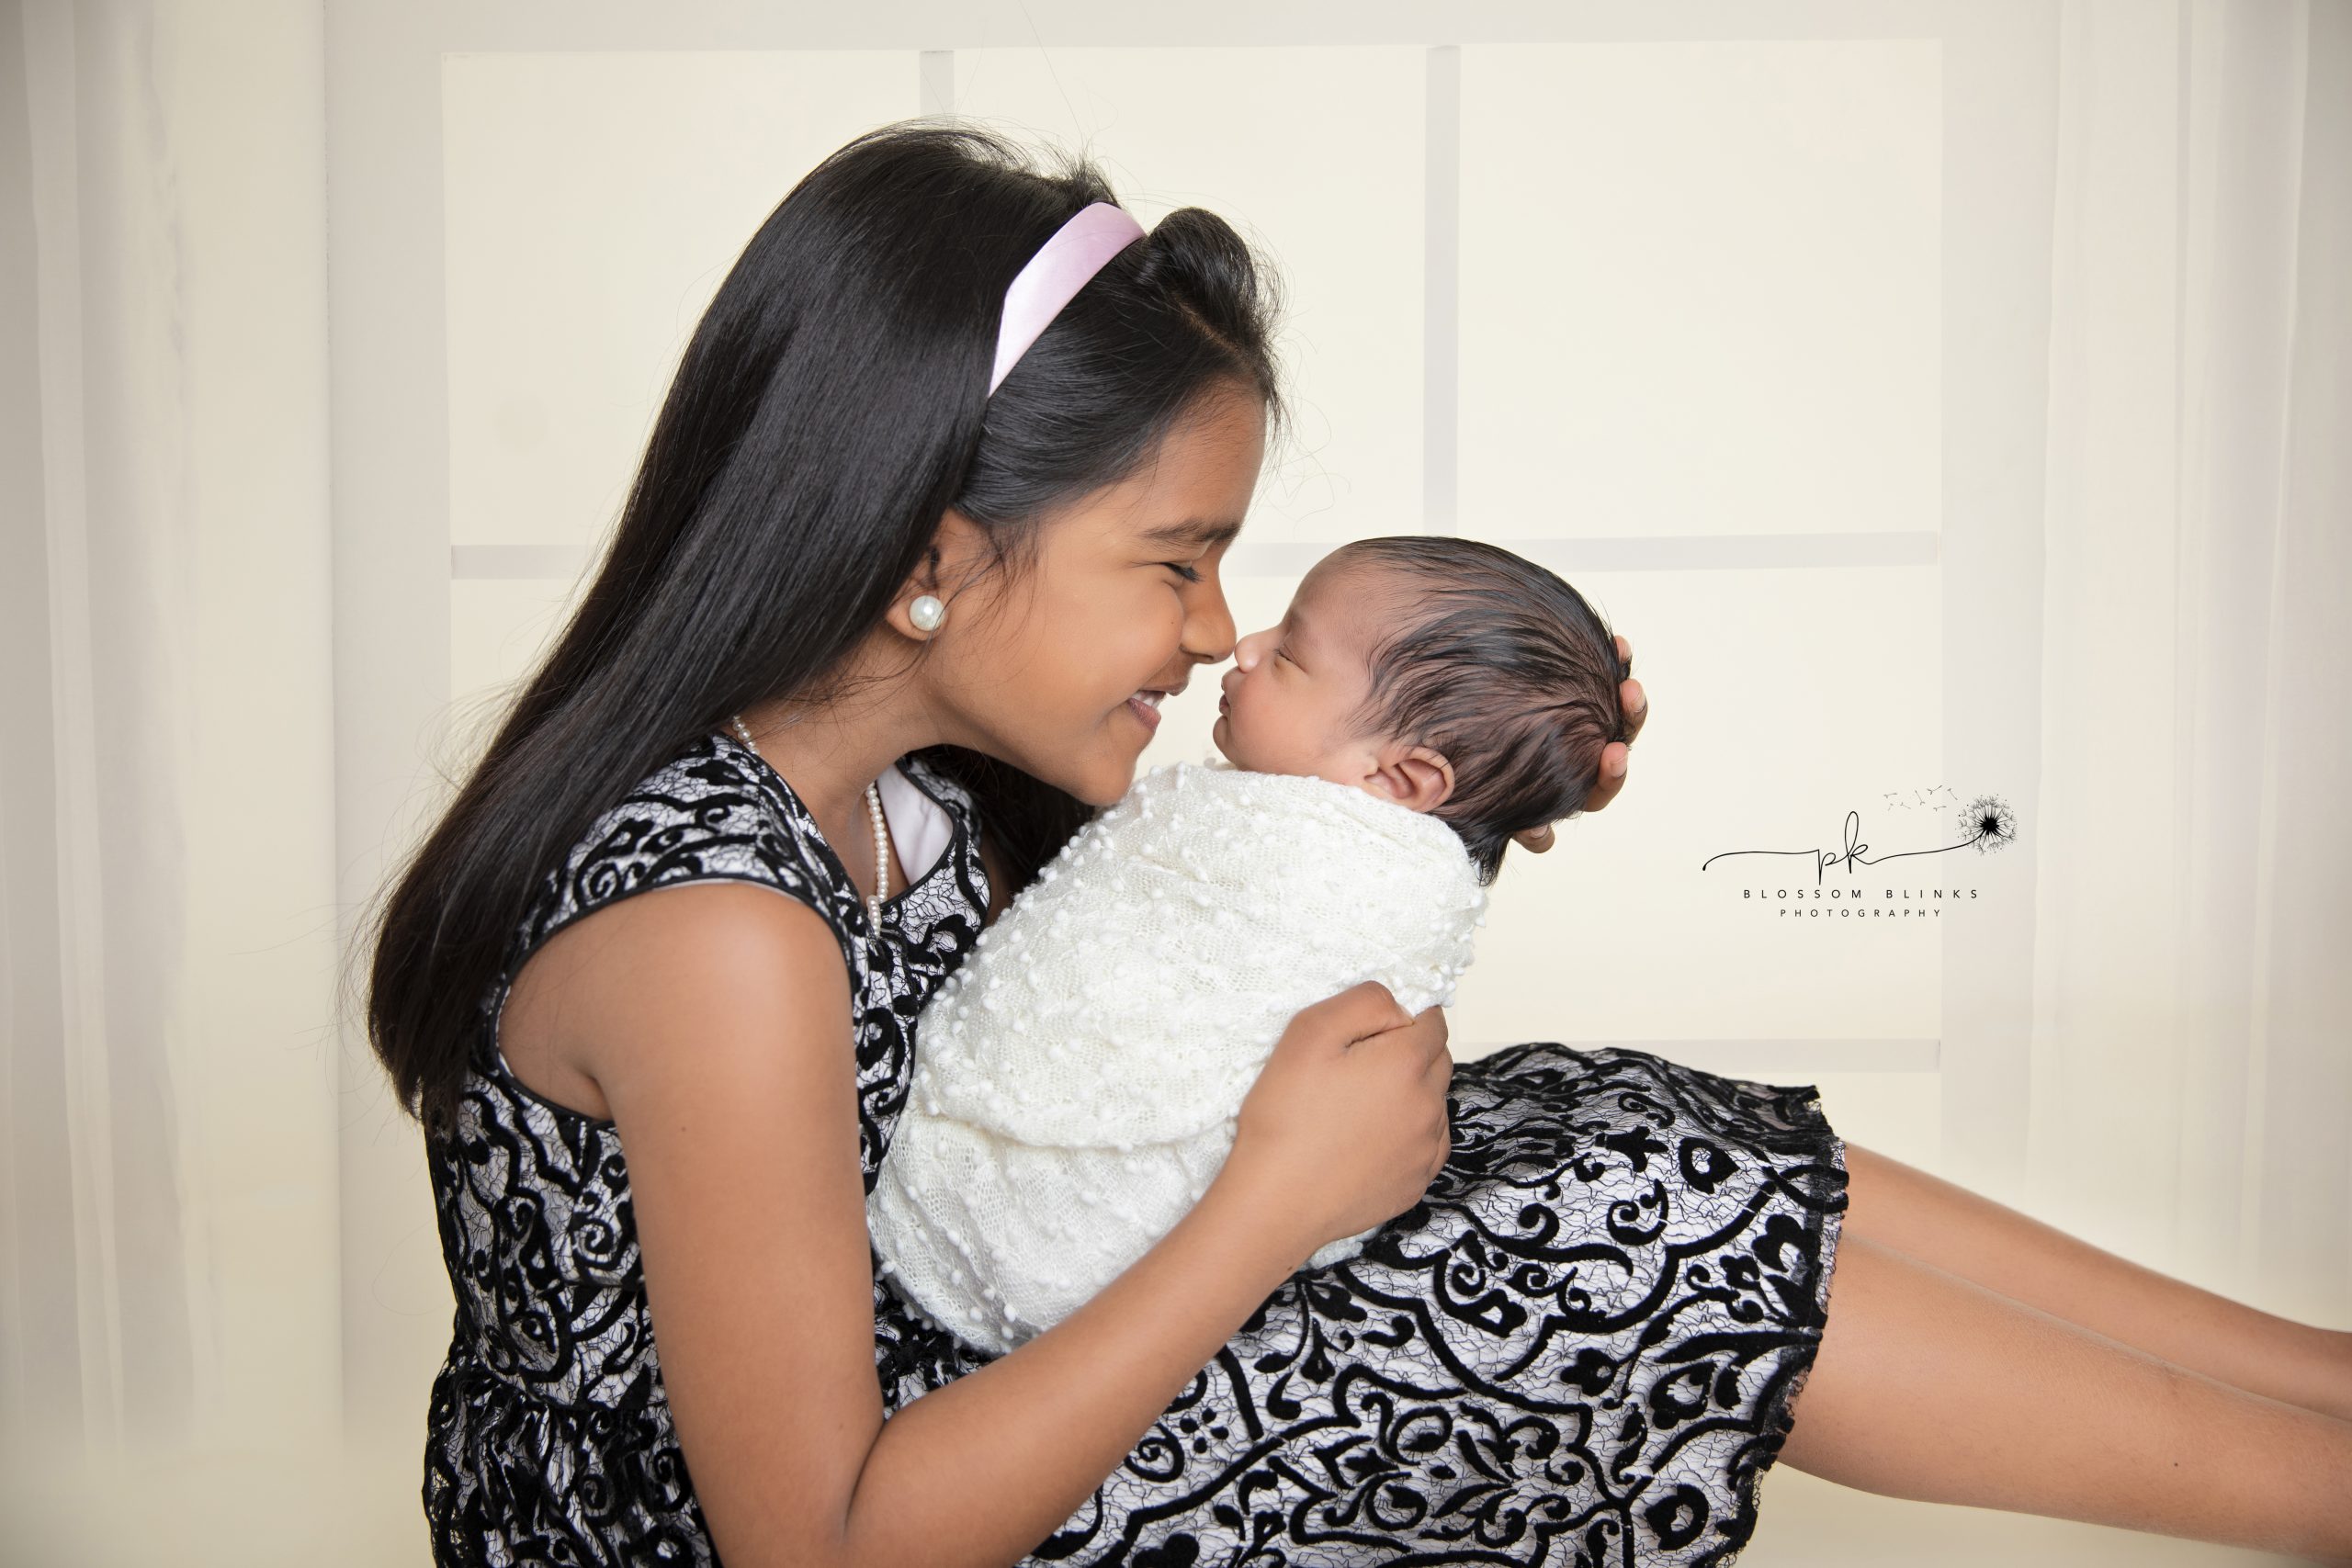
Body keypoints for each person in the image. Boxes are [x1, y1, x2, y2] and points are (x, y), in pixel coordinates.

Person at [362, 122, 2352, 1567]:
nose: (1215, 630)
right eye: (1176, 560)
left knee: (1597, 1120)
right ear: (930, 557)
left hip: (975, 1352)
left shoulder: (923, 795)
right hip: (839, 1511)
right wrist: (1263, 1209)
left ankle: (2325, 1388)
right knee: (1612, 1238)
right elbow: (826, 1537)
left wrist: (1462, 792)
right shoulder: (712, 927)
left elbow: (1170, 979)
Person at [868, 536, 1632, 1355]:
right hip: (1101, 1294)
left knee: (1636, 1130)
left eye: (1290, 655)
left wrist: (1506, 797)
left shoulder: (1333, 871)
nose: (1242, 643)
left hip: (1091, 1247)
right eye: (1175, 563)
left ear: (1400, 781)